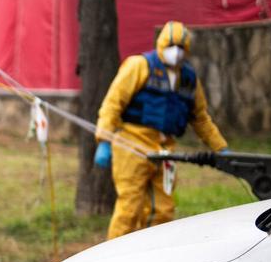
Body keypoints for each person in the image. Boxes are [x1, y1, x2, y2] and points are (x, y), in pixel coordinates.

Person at [94, 20, 229, 239]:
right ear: (161, 43)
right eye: (170, 45)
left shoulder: (189, 79)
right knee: (129, 208)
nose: (175, 52)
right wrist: (104, 141)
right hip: (132, 144)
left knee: (163, 211)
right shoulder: (139, 66)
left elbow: (201, 118)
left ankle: (152, 259)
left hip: (166, 150)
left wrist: (220, 148)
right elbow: (113, 103)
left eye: (180, 47)